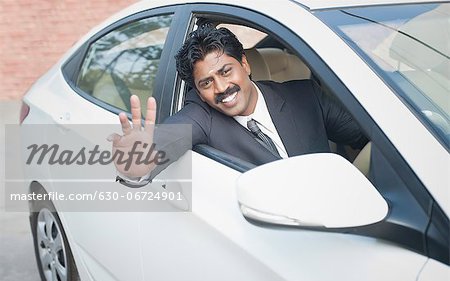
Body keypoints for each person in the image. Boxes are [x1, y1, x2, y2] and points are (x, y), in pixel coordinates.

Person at [108, 25, 367, 187]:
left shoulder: (305, 95)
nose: (221, 88)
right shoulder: (201, 116)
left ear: (244, 64)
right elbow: (162, 144)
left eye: (226, 71)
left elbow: (369, 138)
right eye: (206, 82)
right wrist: (135, 161)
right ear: (197, 91)